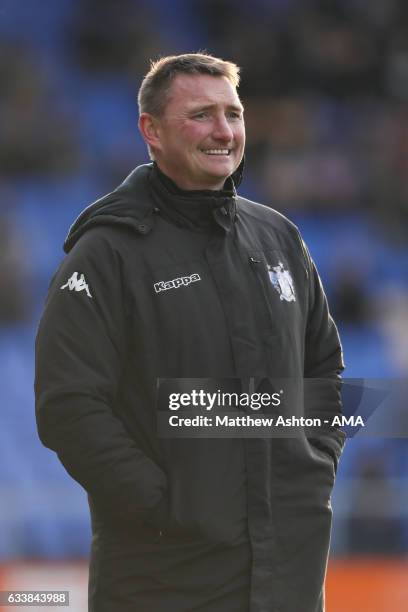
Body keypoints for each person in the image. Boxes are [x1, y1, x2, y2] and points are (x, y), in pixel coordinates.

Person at [35, 53, 346, 612]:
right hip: (164, 579)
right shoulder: (107, 251)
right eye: (201, 115)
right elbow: (68, 404)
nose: (224, 131)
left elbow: (326, 370)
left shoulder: (279, 237)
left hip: (289, 577)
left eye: (234, 113)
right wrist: (162, 506)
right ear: (150, 131)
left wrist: (314, 466)